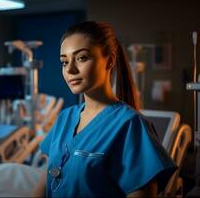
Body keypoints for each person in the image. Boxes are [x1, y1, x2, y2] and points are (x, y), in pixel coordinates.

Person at [33, 21, 177, 197]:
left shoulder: (130, 125)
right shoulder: (64, 118)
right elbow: (45, 183)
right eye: (64, 62)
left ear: (109, 61)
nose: (70, 69)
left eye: (82, 58)